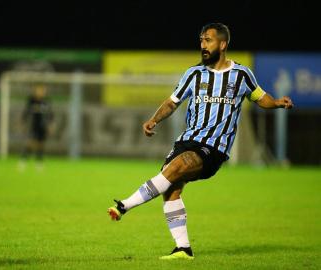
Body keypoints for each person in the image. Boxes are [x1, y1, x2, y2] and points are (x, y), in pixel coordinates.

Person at [107, 23, 293, 260]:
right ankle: (183, 248)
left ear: (223, 44)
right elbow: (173, 101)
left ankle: (124, 205)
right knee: (171, 187)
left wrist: (276, 102)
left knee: (176, 167)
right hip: (186, 140)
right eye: (201, 40)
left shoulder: (241, 74)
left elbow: (260, 97)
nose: (203, 45)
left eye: (208, 40)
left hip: (214, 147)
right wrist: (154, 120)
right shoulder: (194, 74)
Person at [19, 84, 53, 170]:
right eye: (39, 90)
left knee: (41, 145)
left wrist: (50, 125)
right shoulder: (31, 100)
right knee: (31, 144)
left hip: (43, 126)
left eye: (43, 90)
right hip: (33, 125)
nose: (41, 92)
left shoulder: (46, 101)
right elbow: (26, 112)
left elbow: (51, 114)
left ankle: (39, 163)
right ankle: (23, 160)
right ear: (35, 91)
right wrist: (22, 122)